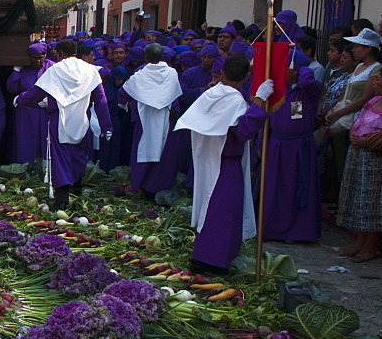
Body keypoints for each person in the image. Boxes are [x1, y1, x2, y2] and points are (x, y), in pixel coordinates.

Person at [175, 56, 273, 274]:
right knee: (224, 213)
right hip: (226, 162)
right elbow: (243, 131)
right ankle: (215, 261)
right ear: (246, 76)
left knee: (209, 209)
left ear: (223, 75)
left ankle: (202, 256)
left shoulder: (209, 94)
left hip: (209, 157)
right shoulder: (236, 101)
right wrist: (258, 101)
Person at [15, 39, 112, 208]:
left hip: (60, 119)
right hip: (82, 118)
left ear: (59, 54)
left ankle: (61, 199)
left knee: (60, 158)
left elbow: (36, 93)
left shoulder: (56, 70)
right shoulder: (90, 70)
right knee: (79, 156)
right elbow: (101, 99)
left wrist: (20, 100)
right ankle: (77, 189)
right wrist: (107, 125)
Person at [260, 51, 322, 243]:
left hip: (298, 146)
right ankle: (272, 229)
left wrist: (302, 69)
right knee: (275, 188)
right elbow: (265, 117)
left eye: (285, 69)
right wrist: (260, 141)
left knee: (296, 188)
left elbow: (310, 84)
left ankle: (297, 232)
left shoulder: (307, 91)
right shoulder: (278, 89)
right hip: (277, 144)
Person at [119, 43, 183, 195]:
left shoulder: (140, 75)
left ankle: (139, 186)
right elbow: (175, 96)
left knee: (143, 151)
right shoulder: (172, 73)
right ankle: (156, 188)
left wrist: (125, 105)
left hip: (145, 119)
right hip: (165, 118)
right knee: (162, 153)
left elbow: (123, 93)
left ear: (145, 57)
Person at [337, 71, 382, 262]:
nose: (374, 83)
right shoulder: (373, 102)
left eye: (379, 80)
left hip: (376, 160)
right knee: (358, 198)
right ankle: (360, 241)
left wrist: (368, 141)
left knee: (372, 202)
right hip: (359, 156)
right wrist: (354, 136)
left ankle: (371, 246)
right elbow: (357, 120)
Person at [7, 43, 53, 164]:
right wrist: (16, 70)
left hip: (45, 111)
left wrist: (51, 99)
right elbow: (12, 88)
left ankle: (43, 168)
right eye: (35, 57)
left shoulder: (52, 67)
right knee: (25, 140)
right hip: (26, 111)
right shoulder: (24, 68)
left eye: (40, 57)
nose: (38, 60)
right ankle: (25, 167)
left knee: (44, 139)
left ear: (45, 55)